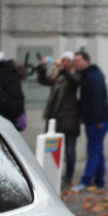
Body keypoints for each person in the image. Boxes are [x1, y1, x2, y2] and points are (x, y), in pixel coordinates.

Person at [36, 52, 81, 188]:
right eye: (63, 60)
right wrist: (42, 68)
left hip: (70, 119)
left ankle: (68, 177)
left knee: (69, 150)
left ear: (72, 63)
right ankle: (52, 175)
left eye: (68, 61)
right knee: (52, 148)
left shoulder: (75, 75)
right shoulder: (58, 77)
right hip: (55, 118)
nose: (65, 63)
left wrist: (63, 69)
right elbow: (44, 81)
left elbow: (75, 81)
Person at [73, 49, 108, 190]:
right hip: (96, 119)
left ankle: (86, 180)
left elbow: (97, 99)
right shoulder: (88, 75)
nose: (75, 63)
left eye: (78, 60)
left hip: (98, 120)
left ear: (86, 61)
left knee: (93, 150)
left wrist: (97, 120)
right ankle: (100, 181)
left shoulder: (93, 77)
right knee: (97, 149)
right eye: (75, 60)